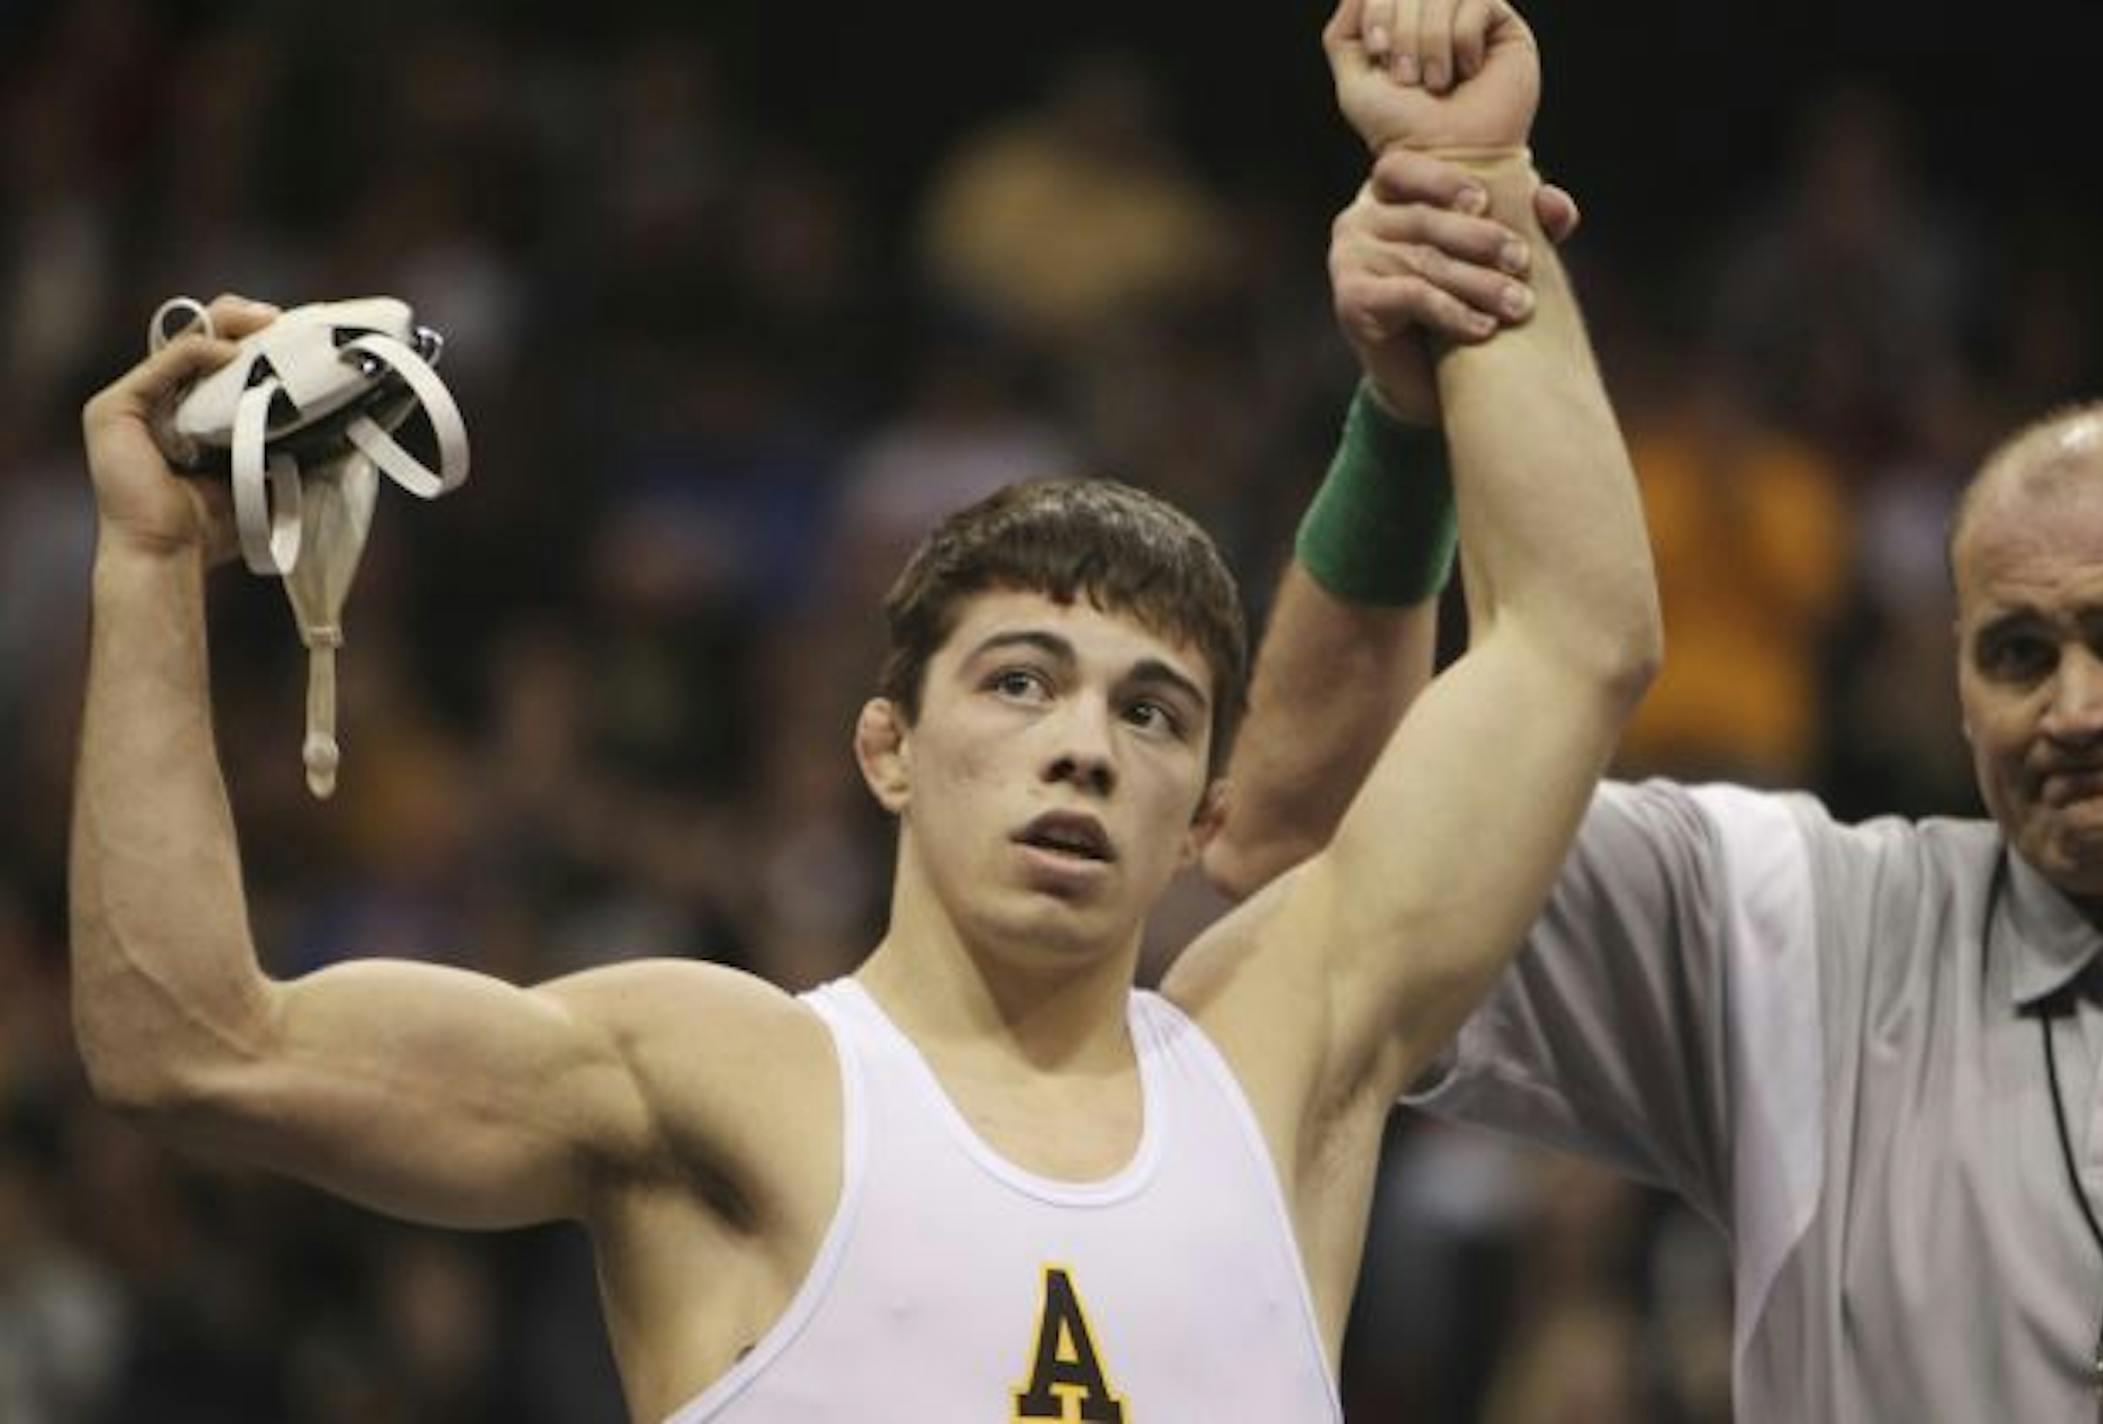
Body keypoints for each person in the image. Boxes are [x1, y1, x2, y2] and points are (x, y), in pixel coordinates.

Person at [69, 5, 1654, 1420]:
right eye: (1020, 682)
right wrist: (149, 565)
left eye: (1154, 716)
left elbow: (1574, 643)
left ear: (1203, 819)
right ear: (886, 748)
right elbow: (192, 1049)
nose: (1085, 746)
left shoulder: (1281, 1064)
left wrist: (1473, 176)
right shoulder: (724, 1078)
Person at [1210, 7, 2103, 1419]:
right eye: (2019, 655)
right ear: (1957, 693)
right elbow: (1331, 857)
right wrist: (1410, 424)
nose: (2076, 708)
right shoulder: (1813, 934)